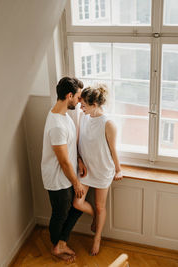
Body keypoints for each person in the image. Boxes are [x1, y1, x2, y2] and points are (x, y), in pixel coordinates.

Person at [41, 76, 87, 263]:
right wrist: (76, 183)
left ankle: (61, 241)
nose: (80, 101)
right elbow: (63, 161)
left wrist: (79, 159)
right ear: (69, 96)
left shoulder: (64, 116)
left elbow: (69, 149)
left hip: (68, 176)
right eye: (78, 97)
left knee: (76, 207)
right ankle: (56, 246)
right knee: (60, 214)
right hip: (57, 178)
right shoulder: (57, 125)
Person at [73, 84, 123, 256]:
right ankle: (95, 216)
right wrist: (79, 160)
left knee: (101, 206)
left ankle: (97, 238)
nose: (81, 107)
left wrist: (118, 169)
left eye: (84, 104)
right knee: (77, 203)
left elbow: (112, 149)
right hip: (86, 170)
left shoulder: (108, 124)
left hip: (103, 170)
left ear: (94, 104)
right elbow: (78, 141)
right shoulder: (83, 117)